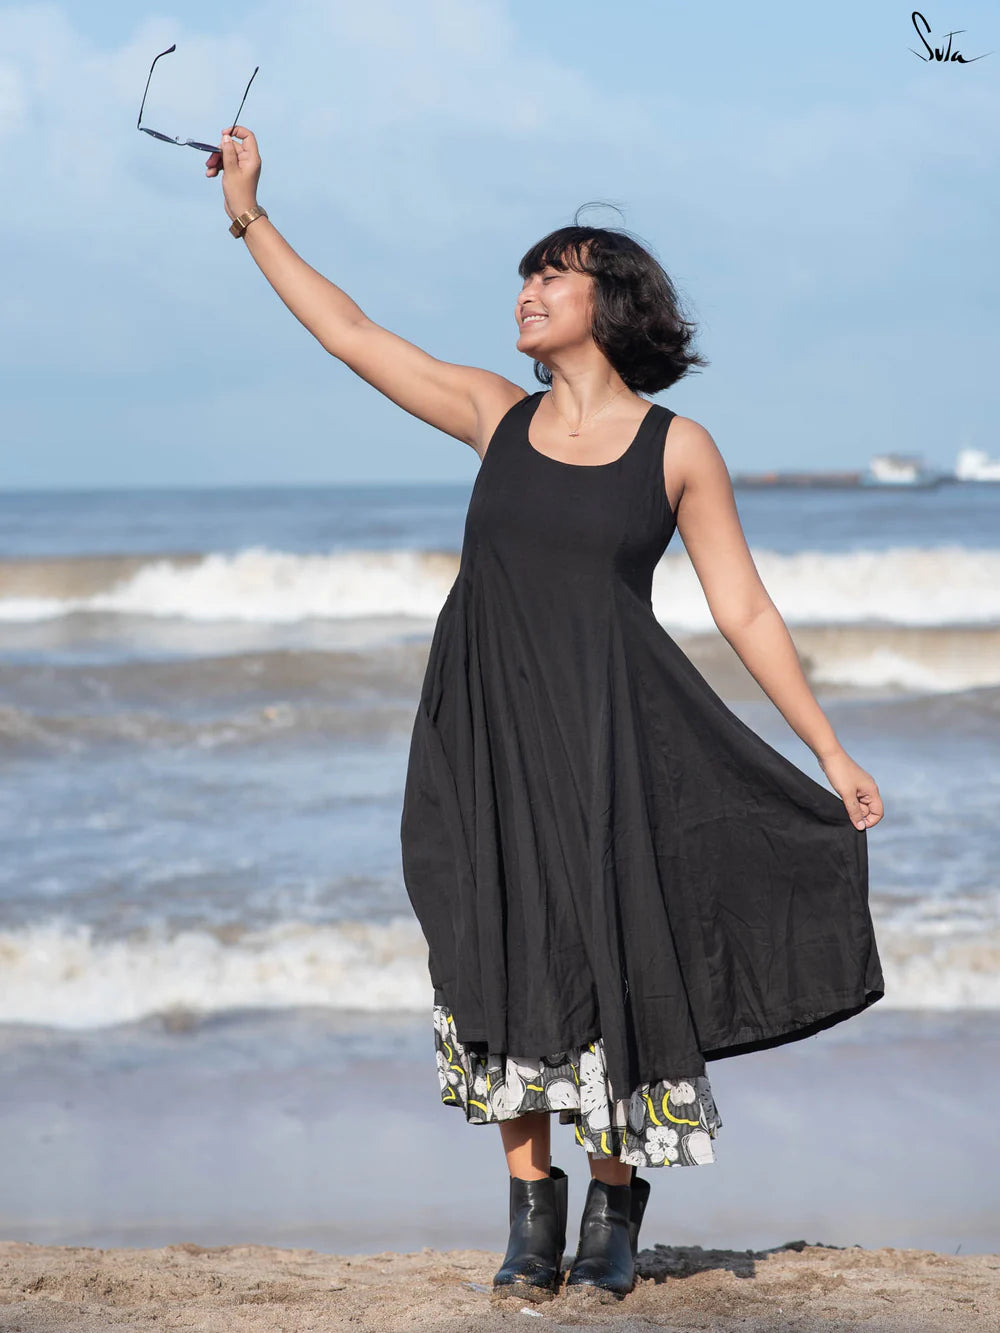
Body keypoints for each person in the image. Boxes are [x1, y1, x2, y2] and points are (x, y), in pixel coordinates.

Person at [206, 127, 886, 1306]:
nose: (525, 291)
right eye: (525, 275)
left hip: (615, 740)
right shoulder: (490, 415)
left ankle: (614, 1204)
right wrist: (249, 213)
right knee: (495, 941)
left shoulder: (679, 449)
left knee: (608, 944)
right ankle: (531, 1217)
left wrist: (827, 749)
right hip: (483, 732)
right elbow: (349, 332)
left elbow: (744, 608)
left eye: (551, 275)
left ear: (609, 304)